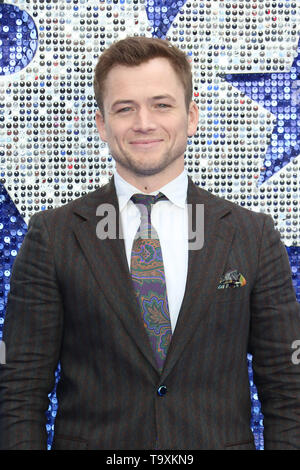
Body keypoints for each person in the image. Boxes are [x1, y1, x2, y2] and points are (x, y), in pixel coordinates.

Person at [0, 36, 300, 450]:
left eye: (162, 104)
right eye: (125, 108)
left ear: (191, 116)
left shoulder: (253, 235)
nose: (144, 122)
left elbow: (289, 389)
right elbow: (18, 391)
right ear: (103, 124)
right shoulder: (52, 236)